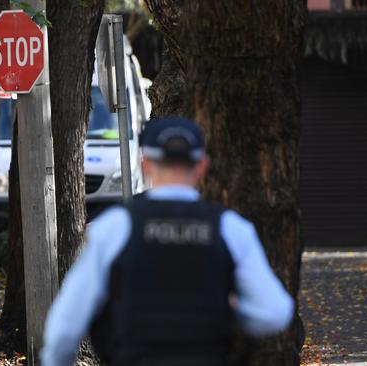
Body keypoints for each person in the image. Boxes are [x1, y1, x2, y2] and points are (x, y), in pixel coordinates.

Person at [41, 117, 294, 366]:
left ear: (145, 165)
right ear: (202, 166)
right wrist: (229, 311)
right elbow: (275, 313)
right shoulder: (231, 228)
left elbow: (66, 325)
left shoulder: (115, 227)